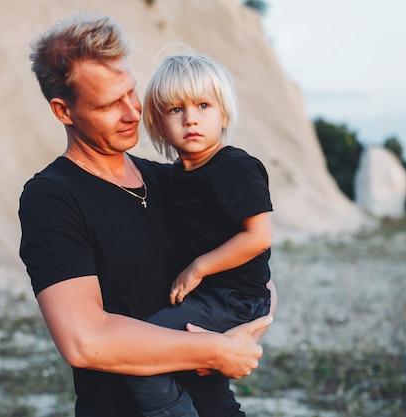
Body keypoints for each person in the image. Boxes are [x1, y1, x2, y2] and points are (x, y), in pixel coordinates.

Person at [18, 12, 275, 417]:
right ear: (63, 111)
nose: (132, 112)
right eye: (108, 104)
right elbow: (84, 340)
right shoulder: (51, 197)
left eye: (131, 92)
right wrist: (215, 348)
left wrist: (249, 331)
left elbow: (256, 270)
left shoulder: (169, 178)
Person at [121, 52, 273, 416]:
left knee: (139, 352)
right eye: (175, 110)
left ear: (223, 112)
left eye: (203, 105)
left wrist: (198, 268)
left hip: (233, 299)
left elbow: (258, 237)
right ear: (158, 123)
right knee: (191, 372)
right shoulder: (174, 177)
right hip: (210, 299)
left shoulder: (234, 167)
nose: (191, 118)